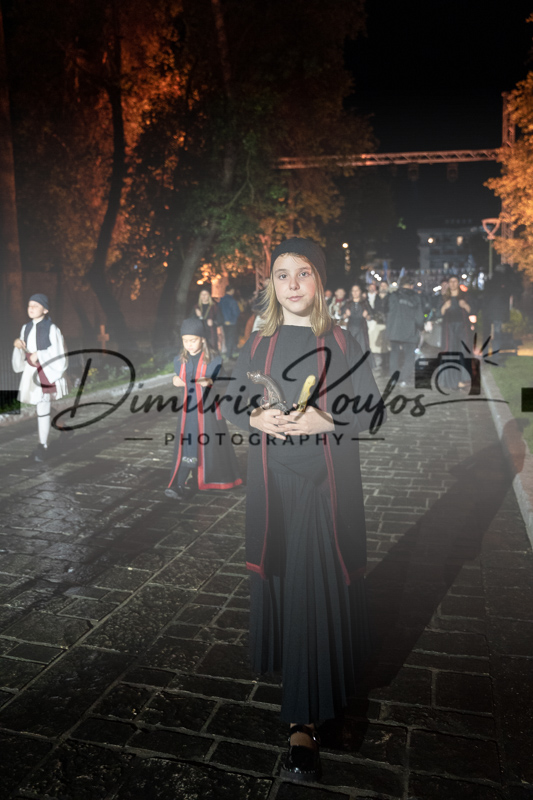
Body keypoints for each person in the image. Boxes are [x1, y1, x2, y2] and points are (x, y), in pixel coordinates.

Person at [222, 237, 383, 783]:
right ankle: (313, 684)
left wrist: (330, 420)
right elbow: (231, 399)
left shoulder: (340, 339)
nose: (292, 284)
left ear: (321, 281)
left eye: (304, 272)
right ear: (271, 284)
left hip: (323, 492)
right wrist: (254, 418)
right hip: (274, 491)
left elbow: (374, 410)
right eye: (282, 274)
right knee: (290, 590)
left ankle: (302, 721)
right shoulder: (258, 341)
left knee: (312, 593)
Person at [166, 318, 241, 500]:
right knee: (188, 443)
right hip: (188, 412)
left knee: (208, 444)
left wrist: (211, 381)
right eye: (185, 341)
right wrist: (175, 380)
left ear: (202, 339)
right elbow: (179, 378)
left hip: (207, 410)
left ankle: (206, 478)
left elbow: (224, 381)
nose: (189, 344)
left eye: (193, 340)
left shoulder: (213, 359)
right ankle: (180, 483)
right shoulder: (180, 360)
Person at [12, 294, 68, 462]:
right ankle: (64, 427)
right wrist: (17, 344)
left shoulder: (52, 328)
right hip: (32, 372)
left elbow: (59, 352)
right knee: (41, 405)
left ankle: (42, 447)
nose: (31, 308)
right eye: (30, 305)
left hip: (47, 371)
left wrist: (40, 354)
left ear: (45, 310)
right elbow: (24, 348)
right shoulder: (26, 327)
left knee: (43, 405)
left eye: (36, 305)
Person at [386, 275, 424, 387]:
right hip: (410, 331)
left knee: (394, 354)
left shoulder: (393, 296)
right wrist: (421, 327)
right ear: (411, 285)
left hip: (394, 330)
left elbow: (388, 311)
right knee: (409, 356)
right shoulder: (415, 297)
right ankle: (405, 378)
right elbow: (419, 317)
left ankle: (394, 377)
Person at [440, 276, 474, 390]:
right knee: (451, 352)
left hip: (462, 328)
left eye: (455, 281)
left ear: (458, 283)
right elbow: (439, 313)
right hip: (449, 329)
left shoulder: (465, 296)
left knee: (463, 352)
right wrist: (445, 306)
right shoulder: (444, 297)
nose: (453, 283)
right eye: (451, 281)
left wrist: (465, 305)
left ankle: (463, 378)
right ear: (448, 283)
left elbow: (472, 310)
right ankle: (452, 381)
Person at [345, 284, 371, 355]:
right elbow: (342, 316)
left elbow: (370, 316)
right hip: (351, 328)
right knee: (351, 348)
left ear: (360, 292)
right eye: (353, 291)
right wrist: (345, 315)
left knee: (362, 348)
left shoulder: (365, 303)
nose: (355, 292)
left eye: (357, 290)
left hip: (361, 329)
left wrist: (367, 316)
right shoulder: (348, 303)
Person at [218, 283, 241, 359]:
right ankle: (229, 354)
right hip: (232, 322)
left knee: (227, 337)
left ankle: (229, 352)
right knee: (231, 338)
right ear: (231, 290)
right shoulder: (232, 300)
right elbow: (236, 312)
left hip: (224, 322)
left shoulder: (221, 300)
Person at [194, 288, 220, 352]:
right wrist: (199, 316)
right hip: (200, 331)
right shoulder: (196, 307)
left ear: (209, 296)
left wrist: (213, 322)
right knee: (201, 348)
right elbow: (192, 321)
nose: (204, 296)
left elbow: (220, 319)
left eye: (205, 294)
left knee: (212, 348)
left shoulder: (214, 306)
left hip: (211, 331)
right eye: (202, 294)